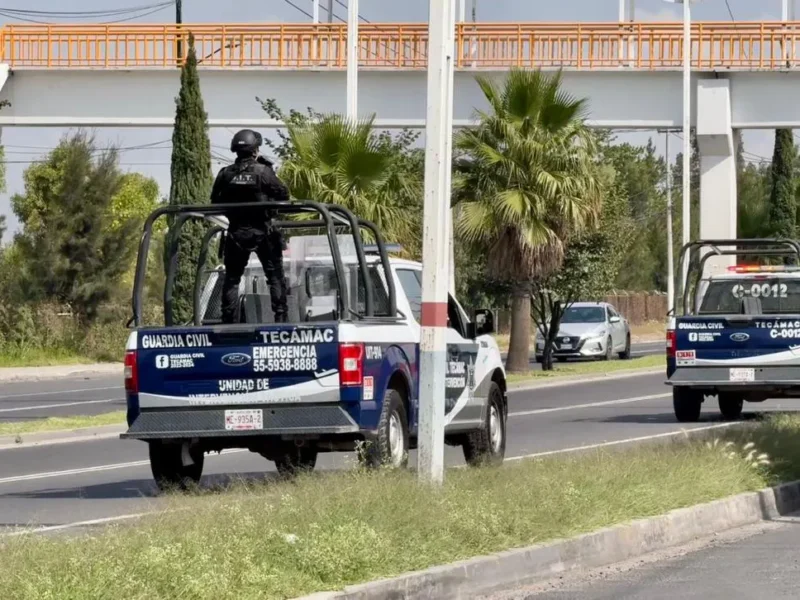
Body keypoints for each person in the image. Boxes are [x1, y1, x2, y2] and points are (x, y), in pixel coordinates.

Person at [211, 129, 291, 324]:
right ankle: (281, 319)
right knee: (274, 277)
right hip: (263, 231)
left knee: (232, 278)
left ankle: (228, 321)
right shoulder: (263, 171)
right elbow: (283, 194)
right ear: (255, 150)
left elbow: (215, 200)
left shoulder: (225, 173)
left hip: (236, 233)